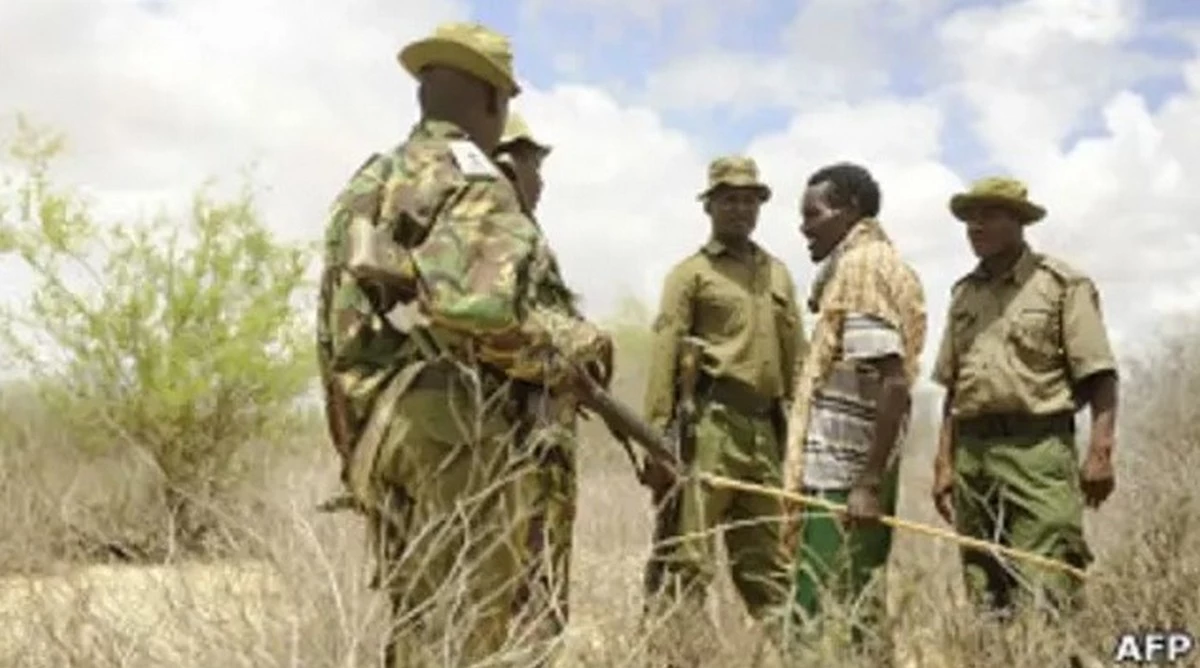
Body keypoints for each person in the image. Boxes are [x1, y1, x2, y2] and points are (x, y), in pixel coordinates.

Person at [315, 22, 613, 668]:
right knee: (468, 635)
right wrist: (578, 344)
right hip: (454, 431)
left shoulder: (368, 180)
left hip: (378, 433)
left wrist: (354, 442)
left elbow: (329, 330)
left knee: (421, 622)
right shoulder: (475, 179)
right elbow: (478, 313)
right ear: (490, 101)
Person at [929, 176, 1118, 624]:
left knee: (1051, 583)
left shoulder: (1061, 285)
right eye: (970, 217)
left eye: (989, 215)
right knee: (985, 590)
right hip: (974, 455)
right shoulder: (963, 293)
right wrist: (944, 462)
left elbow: (1101, 374)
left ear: (1018, 222)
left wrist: (1100, 453)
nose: (976, 226)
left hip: (1038, 453)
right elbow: (954, 388)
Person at [641, 155, 804, 665]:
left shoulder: (776, 273)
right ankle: (676, 654)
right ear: (710, 206)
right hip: (709, 425)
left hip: (766, 430)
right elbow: (666, 351)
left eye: (750, 200)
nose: (741, 209)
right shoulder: (690, 275)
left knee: (769, 565)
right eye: (730, 199)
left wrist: (799, 430)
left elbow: (796, 354)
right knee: (687, 558)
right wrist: (657, 437)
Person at [780, 162, 927, 651]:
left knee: (814, 619)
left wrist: (865, 482)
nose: (803, 226)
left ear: (850, 211)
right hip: (855, 476)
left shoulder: (862, 269)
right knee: (857, 612)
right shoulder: (875, 263)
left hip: (844, 479)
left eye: (813, 214)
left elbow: (894, 383)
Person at [493, 111, 578, 656]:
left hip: (543, 432)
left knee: (541, 578)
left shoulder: (524, 230)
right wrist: (583, 346)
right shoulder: (501, 230)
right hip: (519, 438)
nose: (540, 179)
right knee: (523, 577)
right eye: (534, 165)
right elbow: (500, 330)